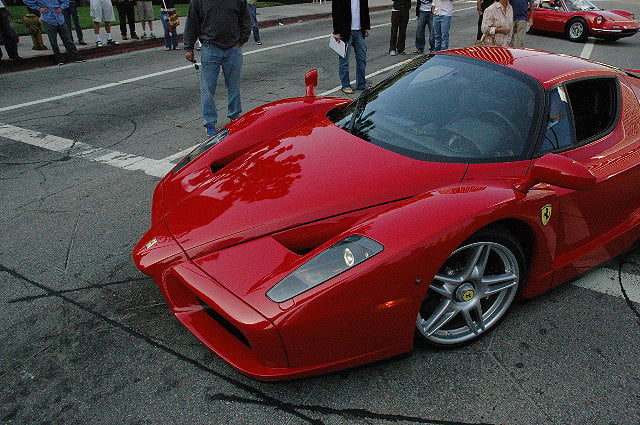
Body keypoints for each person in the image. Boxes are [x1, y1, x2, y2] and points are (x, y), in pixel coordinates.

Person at [183, 0, 250, 136]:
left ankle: (235, 117)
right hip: (210, 47)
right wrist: (188, 47)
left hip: (233, 48)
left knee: (233, 85)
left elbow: (245, 20)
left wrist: (241, 40)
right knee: (207, 88)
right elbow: (192, 23)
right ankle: (210, 122)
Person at [23, 0, 84, 65]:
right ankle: (59, 59)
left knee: (68, 39)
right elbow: (27, 1)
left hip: (60, 18)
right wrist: (38, 8)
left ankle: (75, 57)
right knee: (53, 42)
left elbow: (66, 1)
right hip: (48, 19)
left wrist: (61, 7)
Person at [332, 0, 371, 94]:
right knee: (344, 60)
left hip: (359, 31)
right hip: (345, 31)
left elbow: (365, 9)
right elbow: (335, 11)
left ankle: (361, 83)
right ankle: (345, 85)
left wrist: (367, 27)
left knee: (362, 58)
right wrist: (336, 31)